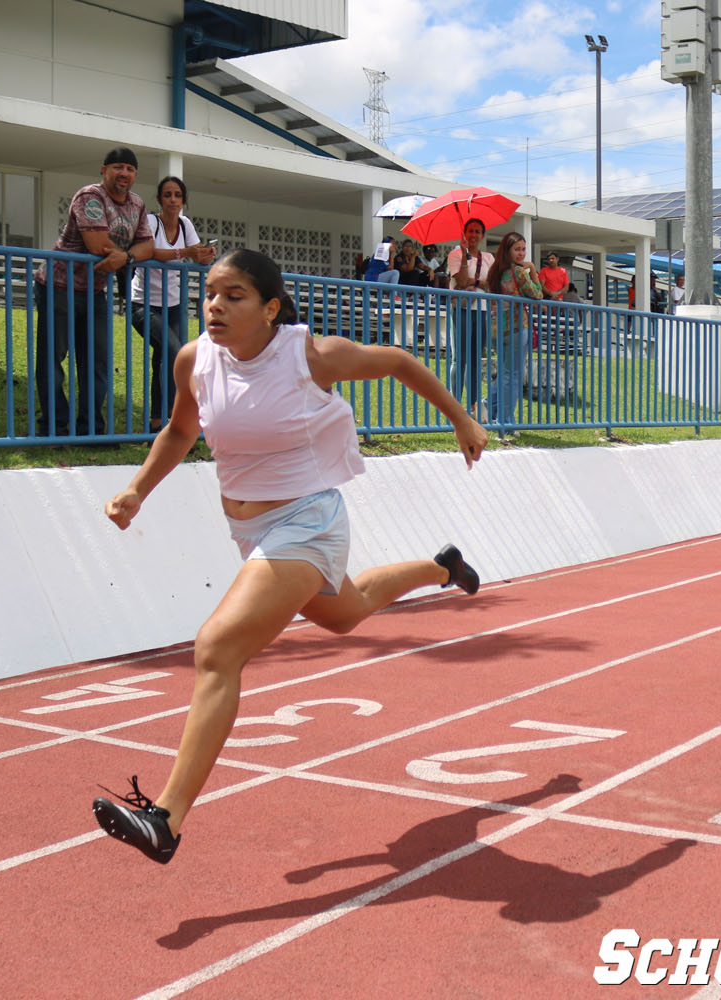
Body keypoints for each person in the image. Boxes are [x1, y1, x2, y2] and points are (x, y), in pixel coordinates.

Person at [93, 249, 489, 863]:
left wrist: (461, 420)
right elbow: (180, 430)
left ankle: (165, 818)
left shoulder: (309, 355)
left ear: (270, 307)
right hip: (250, 531)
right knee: (346, 611)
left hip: (308, 520)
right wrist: (137, 489)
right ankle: (442, 567)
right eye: (210, 294)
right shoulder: (195, 359)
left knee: (218, 647)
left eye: (234, 296)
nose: (216, 306)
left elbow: (400, 362)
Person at [36, 146, 154, 437]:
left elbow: (147, 246)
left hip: (95, 290)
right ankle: (55, 426)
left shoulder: (137, 204)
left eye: (129, 169)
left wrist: (126, 258)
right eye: (117, 167)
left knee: (97, 361)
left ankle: (91, 428)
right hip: (59, 286)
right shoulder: (90, 196)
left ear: (135, 175)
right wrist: (128, 254)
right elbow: (97, 245)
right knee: (53, 358)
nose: (123, 173)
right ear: (104, 171)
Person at [129, 176, 216, 431]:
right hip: (144, 303)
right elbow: (148, 252)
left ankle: (158, 423)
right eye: (167, 195)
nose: (173, 200)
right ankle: (176, 417)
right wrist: (185, 253)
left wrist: (205, 256)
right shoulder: (150, 222)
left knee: (164, 359)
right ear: (159, 199)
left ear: (184, 200)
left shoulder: (185, 223)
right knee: (177, 352)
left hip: (174, 303)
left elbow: (197, 255)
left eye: (178, 195)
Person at [484, 231, 543, 428]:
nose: (521, 253)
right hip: (517, 328)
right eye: (517, 249)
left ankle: (489, 407)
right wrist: (533, 269)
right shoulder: (518, 271)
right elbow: (537, 293)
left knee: (505, 373)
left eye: (523, 249)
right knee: (514, 375)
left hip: (496, 330)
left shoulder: (495, 270)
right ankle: (505, 420)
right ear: (507, 251)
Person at [446, 218, 494, 416]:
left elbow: (492, 284)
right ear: (464, 234)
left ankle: (473, 405)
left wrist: (479, 283)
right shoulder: (455, 255)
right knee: (460, 359)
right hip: (462, 310)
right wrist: (465, 256)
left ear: (482, 235)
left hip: (481, 310)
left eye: (477, 231)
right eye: (470, 231)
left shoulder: (489, 258)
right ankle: (454, 406)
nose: (473, 235)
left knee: (475, 359)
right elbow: (463, 280)